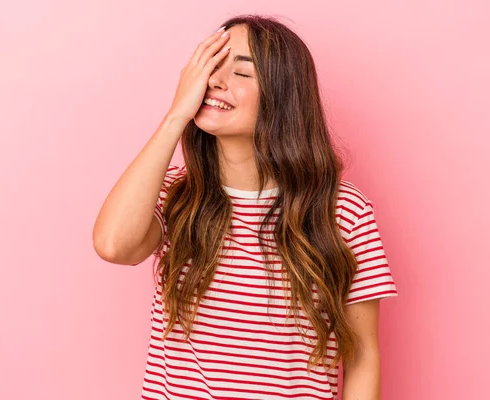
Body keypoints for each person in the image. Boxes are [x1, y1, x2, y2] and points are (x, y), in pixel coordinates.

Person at [93, 14, 398, 400]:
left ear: (282, 95)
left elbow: (362, 354)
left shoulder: (343, 210)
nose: (215, 81)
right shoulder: (175, 195)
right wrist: (174, 117)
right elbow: (114, 246)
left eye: (241, 72)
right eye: (210, 67)